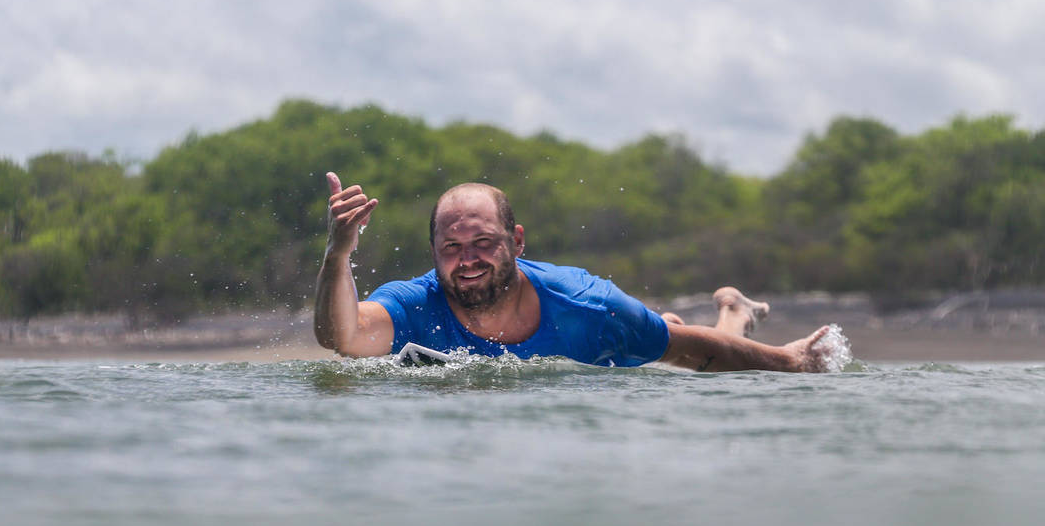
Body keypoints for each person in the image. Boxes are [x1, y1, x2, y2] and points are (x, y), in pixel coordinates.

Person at [314, 172, 835, 372]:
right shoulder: (414, 302)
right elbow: (343, 337)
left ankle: (735, 312)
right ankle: (686, 318)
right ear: (433, 250)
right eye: (451, 246)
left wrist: (788, 361)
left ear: (516, 243)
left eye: (483, 243)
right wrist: (339, 253)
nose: (467, 259)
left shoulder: (590, 305)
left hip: (614, 347)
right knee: (664, 335)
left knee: (675, 349)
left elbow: (695, 353)